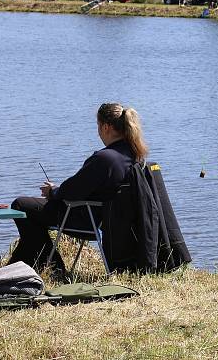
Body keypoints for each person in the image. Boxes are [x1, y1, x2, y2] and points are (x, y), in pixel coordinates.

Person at [9, 103, 148, 274]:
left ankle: (53, 267)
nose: (98, 132)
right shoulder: (135, 156)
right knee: (31, 228)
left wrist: (53, 191)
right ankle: (17, 268)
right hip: (113, 221)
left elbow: (73, 191)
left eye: (98, 126)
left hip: (88, 218)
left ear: (106, 127)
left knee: (21, 205)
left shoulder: (105, 158)